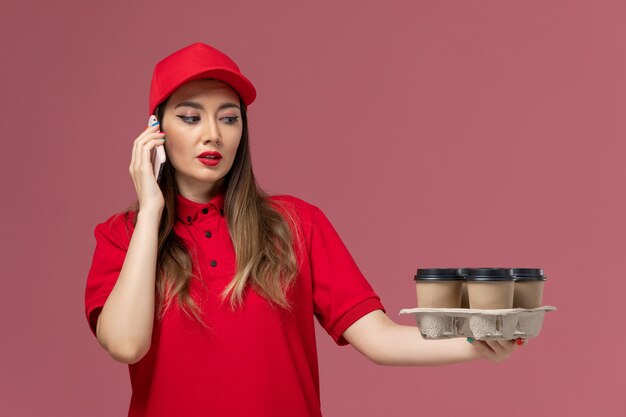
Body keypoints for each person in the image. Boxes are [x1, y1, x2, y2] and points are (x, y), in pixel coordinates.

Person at [84, 42, 520, 417]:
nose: (213, 134)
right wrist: (150, 212)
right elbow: (125, 344)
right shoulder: (122, 235)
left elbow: (378, 338)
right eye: (191, 117)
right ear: (155, 132)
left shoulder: (296, 224)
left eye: (229, 118)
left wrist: (476, 341)